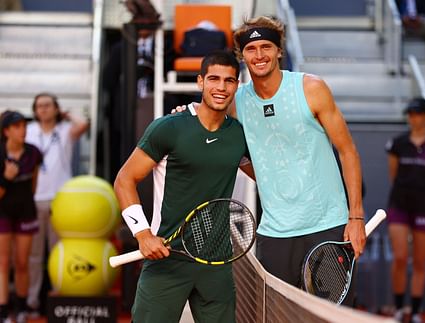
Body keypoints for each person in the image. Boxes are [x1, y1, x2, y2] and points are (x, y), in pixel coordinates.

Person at [173, 16, 366, 306]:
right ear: (242, 56)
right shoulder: (236, 102)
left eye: (266, 46)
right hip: (274, 233)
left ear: (279, 51)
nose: (259, 55)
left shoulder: (311, 89)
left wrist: (356, 217)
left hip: (326, 226)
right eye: (251, 49)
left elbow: (348, 151)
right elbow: (208, 123)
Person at [114, 50, 253, 323]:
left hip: (217, 265)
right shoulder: (168, 128)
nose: (221, 87)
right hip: (166, 262)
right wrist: (142, 235)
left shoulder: (239, 135)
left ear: (237, 86)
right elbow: (124, 180)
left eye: (229, 80)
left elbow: (269, 178)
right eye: (214, 79)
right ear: (200, 82)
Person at [24, 93, 89, 315]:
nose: (43, 109)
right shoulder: (29, 130)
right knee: (33, 255)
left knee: (58, 252)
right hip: (33, 198)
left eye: (47, 105)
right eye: (39, 106)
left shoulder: (64, 130)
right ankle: (31, 302)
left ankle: (58, 297)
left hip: (60, 200)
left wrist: (66, 114)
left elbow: (83, 124)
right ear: (34, 110)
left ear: (55, 108)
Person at [385, 98, 425, 323]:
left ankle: (417, 311)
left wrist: (423, 195)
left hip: (424, 207)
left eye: (417, 113)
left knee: (420, 261)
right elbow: (393, 175)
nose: (413, 118)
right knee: (401, 257)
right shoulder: (398, 143)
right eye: (410, 114)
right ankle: (401, 308)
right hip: (399, 205)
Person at [0, 111, 42, 323]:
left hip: (26, 211)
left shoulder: (34, 152)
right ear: (6, 131)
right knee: (3, 262)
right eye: (17, 126)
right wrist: (7, 179)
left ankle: (23, 307)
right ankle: (4, 312)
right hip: (2, 213)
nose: (23, 130)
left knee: (22, 262)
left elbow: (33, 184)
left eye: (24, 126)